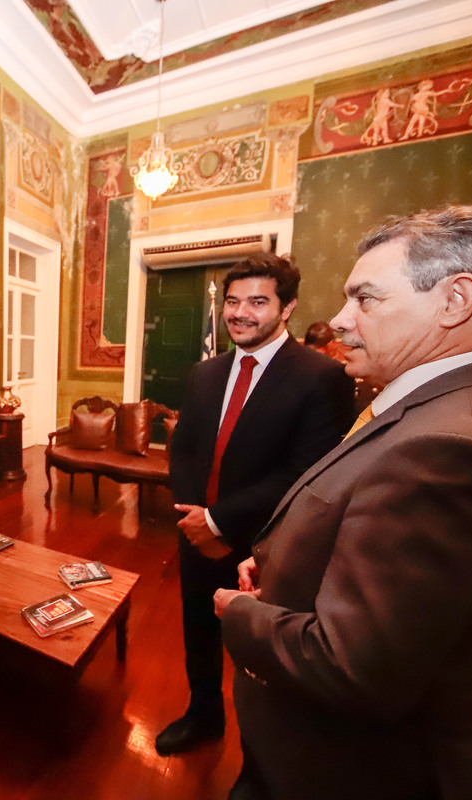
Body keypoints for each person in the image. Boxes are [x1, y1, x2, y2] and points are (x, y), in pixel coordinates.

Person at [216, 204, 472, 800]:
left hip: (357, 770)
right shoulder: (455, 404)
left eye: (366, 299)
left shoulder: (453, 446)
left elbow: (355, 669)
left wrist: (239, 611)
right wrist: (280, 565)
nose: (341, 320)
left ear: (455, 300)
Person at [156, 253, 355, 756]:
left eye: (258, 302)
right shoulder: (205, 373)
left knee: (262, 655)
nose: (240, 313)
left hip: (267, 545)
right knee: (198, 630)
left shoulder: (320, 377)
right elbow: (183, 449)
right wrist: (193, 519)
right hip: (196, 535)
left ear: (287, 308)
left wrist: (220, 522)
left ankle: (264, 754)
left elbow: (306, 473)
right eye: (232, 301)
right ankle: (203, 716)